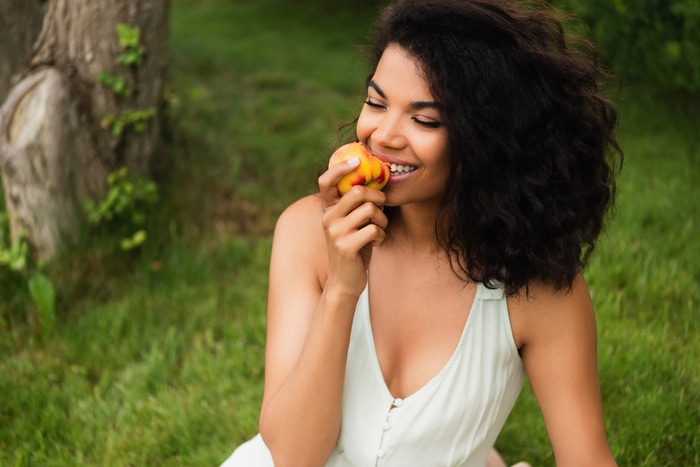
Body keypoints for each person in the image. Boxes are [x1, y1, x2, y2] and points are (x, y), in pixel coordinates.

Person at [222, 0, 622, 465]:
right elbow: (292, 457)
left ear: (489, 141)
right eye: (376, 102)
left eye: (424, 118)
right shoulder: (307, 231)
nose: (383, 135)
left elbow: (587, 458)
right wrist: (341, 290)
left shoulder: (538, 290)